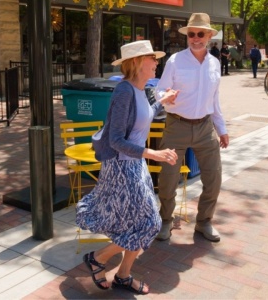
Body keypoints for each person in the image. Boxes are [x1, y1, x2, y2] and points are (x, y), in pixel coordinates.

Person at [76, 40, 178, 294]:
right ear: (136, 63)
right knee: (150, 223)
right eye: (151, 58)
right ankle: (98, 258)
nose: (156, 62)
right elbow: (116, 140)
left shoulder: (141, 89)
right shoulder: (123, 91)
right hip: (122, 168)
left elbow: (142, 117)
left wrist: (162, 102)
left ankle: (122, 274)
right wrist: (152, 152)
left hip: (136, 165)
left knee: (141, 223)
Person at [155, 12, 229, 242]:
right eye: (191, 34)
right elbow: (160, 90)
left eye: (200, 34)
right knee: (168, 180)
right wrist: (166, 97)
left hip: (205, 127)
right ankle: (165, 220)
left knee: (214, 178)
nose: (195, 38)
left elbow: (214, 100)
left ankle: (204, 222)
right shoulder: (175, 61)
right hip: (176, 126)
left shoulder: (215, 63)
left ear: (209, 36)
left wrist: (222, 129)